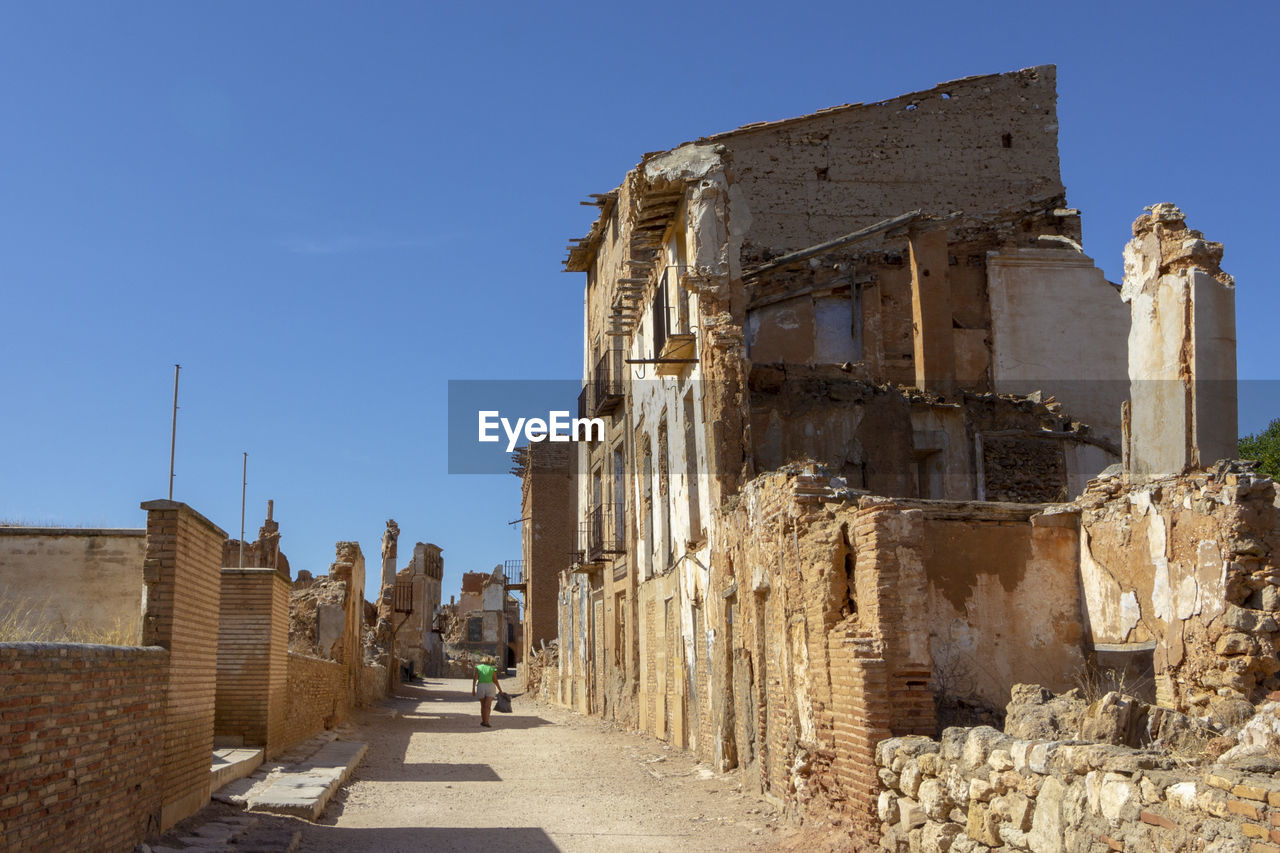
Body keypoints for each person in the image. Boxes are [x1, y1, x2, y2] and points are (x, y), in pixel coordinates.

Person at [471, 657, 504, 727]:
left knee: (483, 706)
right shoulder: (492, 669)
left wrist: (473, 689)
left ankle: (484, 721)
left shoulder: (478, 668)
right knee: (488, 706)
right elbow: (495, 681)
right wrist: (500, 690)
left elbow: (475, 679)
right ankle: (486, 722)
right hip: (490, 687)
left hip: (481, 686)